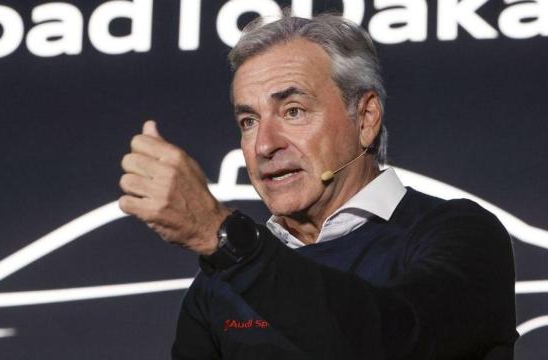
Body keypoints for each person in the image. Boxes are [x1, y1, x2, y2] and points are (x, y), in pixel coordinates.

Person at [118, 13, 517, 360]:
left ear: (365, 119)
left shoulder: (457, 234)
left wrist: (221, 236)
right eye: (248, 121)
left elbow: (392, 341)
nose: (264, 145)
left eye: (293, 111)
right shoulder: (220, 284)